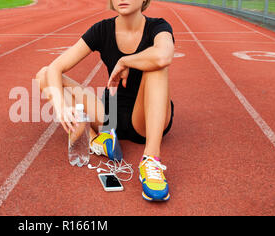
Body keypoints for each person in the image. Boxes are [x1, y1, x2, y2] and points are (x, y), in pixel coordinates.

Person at [35, 0, 175, 201]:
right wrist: (61, 107)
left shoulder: (159, 27)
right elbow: (55, 67)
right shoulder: (102, 29)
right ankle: (96, 140)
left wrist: (125, 60)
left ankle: (151, 160)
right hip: (111, 117)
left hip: (146, 119)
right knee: (44, 74)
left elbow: (163, 56)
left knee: (157, 67)